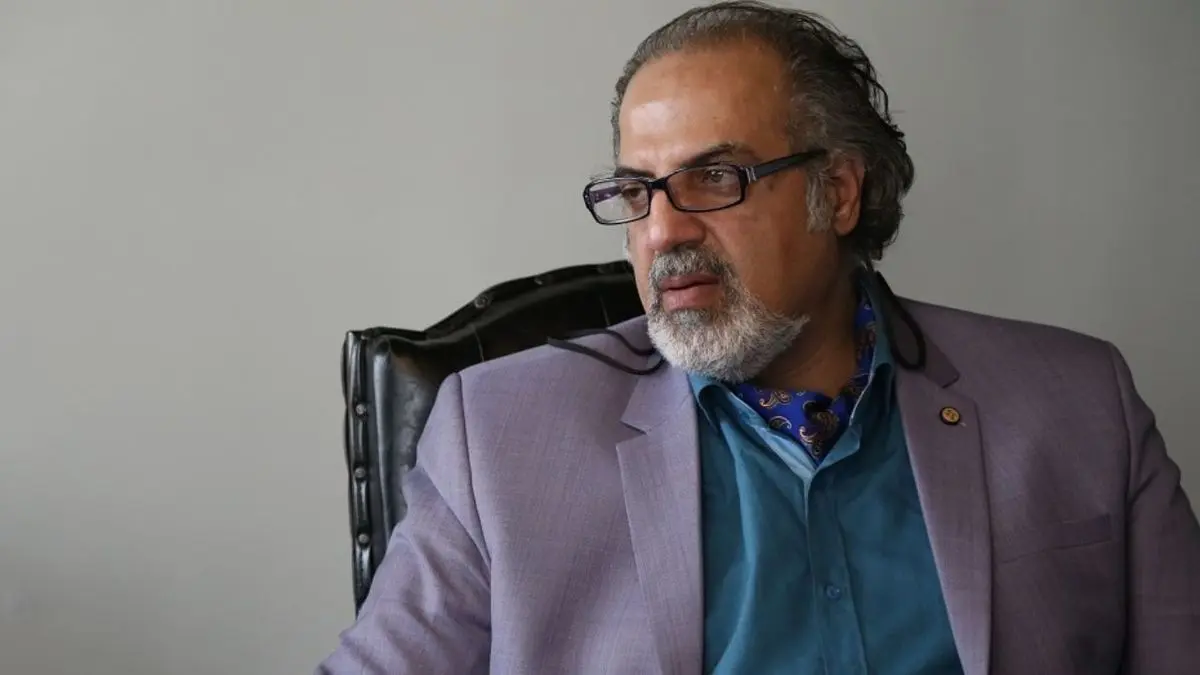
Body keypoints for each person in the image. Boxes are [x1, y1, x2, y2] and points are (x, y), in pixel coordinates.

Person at [316, 2, 1200, 673]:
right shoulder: (500, 437)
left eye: (715, 177)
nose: (662, 231)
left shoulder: (1080, 402)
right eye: (637, 191)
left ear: (838, 192)